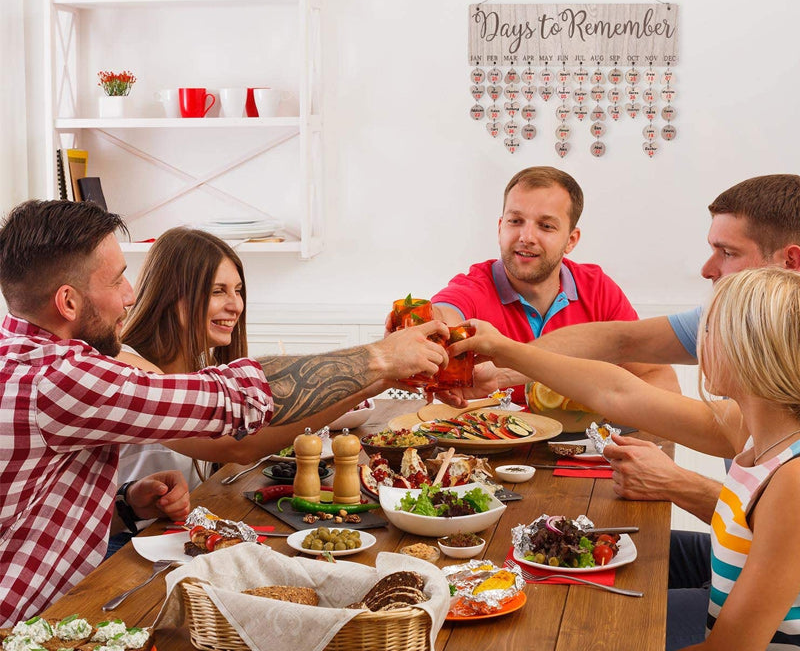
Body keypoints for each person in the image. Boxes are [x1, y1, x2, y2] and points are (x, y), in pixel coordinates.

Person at [0, 199, 450, 626]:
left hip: (70, 598)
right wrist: (381, 359)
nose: (130, 294)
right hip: (29, 624)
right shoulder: (61, 379)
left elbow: (36, 509)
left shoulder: (24, 359)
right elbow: (236, 407)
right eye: (117, 279)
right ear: (68, 302)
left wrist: (124, 503)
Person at [463, 173, 800, 649]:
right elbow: (618, 390)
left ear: (754, 344)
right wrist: (507, 354)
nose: (695, 340)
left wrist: (677, 483)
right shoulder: (756, 424)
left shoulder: (790, 477)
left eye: (712, 328)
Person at [116, 228, 374, 490]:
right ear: (170, 296)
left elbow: (255, 433)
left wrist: (376, 379)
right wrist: (378, 370)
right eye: (218, 291)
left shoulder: (201, 367)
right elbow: (240, 446)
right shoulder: (128, 368)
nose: (236, 305)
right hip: (139, 531)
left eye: (237, 291)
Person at [430, 166, 678, 403]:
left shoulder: (598, 290)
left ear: (571, 240)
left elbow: (661, 380)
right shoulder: (475, 287)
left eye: (546, 226)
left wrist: (607, 416)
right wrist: (428, 329)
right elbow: (442, 317)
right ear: (499, 228)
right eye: (515, 221)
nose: (526, 237)